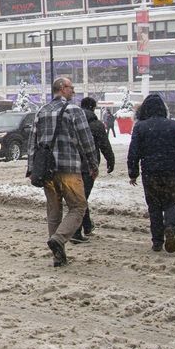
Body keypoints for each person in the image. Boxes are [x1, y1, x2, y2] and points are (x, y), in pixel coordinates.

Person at [29, 77, 97, 267]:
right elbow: (86, 140)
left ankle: (58, 256)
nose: (73, 91)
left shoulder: (41, 112)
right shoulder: (74, 111)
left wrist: (31, 168)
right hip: (69, 168)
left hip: (47, 170)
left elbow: (32, 142)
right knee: (78, 207)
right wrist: (93, 163)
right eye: (71, 88)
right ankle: (59, 239)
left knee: (54, 211)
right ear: (61, 89)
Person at [127, 94, 175, 253]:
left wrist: (133, 172)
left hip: (150, 172)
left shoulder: (140, 127)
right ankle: (170, 226)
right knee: (171, 203)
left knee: (154, 207)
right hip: (170, 170)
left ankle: (157, 241)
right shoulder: (174, 126)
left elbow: (133, 152)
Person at [75, 97, 115, 241]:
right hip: (88, 167)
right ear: (93, 108)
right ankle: (76, 231)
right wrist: (111, 161)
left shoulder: (73, 121)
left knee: (79, 198)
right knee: (82, 199)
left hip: (72, 165)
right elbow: (105, 145)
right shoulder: (96, 125)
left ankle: (86, 226)